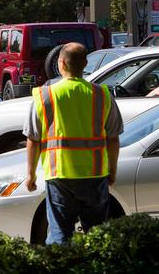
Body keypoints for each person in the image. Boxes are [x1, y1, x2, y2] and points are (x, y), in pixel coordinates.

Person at [24, 42, 123, 245]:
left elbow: (33, 139)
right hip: (95, 175)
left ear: (60, 63)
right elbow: (113, 138)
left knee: (60, 233)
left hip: (59, 174)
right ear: (85, 63)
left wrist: (31, 174)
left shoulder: (45, 96)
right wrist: (112, 171)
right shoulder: (102, 95)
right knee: (98, 235)